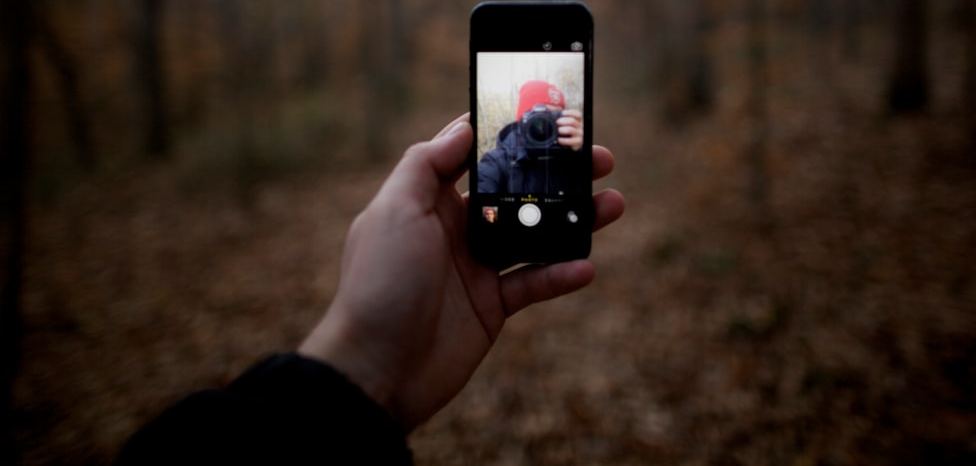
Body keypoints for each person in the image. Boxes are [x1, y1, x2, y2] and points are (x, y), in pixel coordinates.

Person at [114, 114, 625, 465]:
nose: (539, 127)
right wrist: (363, 366)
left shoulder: (562, 152)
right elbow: (489, 183)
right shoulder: (498, 154)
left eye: (548, 120)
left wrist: (562, 157)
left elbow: (568, 185)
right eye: (534, 119)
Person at [477, 80, 587, 195]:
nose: (544, 127)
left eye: (553, 118)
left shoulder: (571, 156)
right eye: (538, 118)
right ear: (522, 122)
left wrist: (581, 153)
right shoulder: (496, 163)